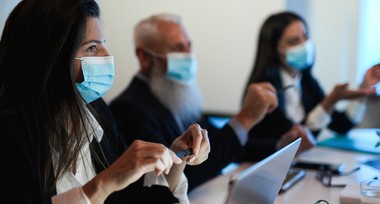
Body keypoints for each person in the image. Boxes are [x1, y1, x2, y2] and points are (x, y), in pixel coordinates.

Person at [0, 0, 210, 204]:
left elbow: (129, 203)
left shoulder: (96, 109)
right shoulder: (10, 137)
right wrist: (104, 182)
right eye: (91, 47)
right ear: (49, 58)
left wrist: (178, 155)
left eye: (102, 44)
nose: (105, 56)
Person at [109, 13, 278, 189]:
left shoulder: (176, 94)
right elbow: (180, 175)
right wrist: (245, 119)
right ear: (144, 57)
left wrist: (279, 144)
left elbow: (216, 143)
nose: (189, 55)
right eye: (177, 48)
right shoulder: (127, 108)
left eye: (189, 46)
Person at [241, 11, 380, 161]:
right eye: (293, 41)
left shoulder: (306, 81)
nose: (304, 45)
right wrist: (330, 101)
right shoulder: (264, 90)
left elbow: (342, 125)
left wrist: (364, 88)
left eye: (305, 36)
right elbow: (296, 138)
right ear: (274, 50)